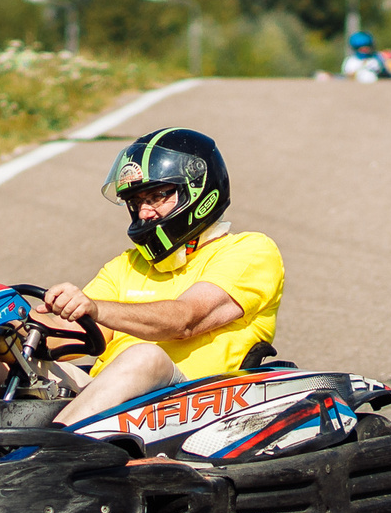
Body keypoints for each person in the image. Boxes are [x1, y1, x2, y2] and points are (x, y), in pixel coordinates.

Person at [39, 128, 283, 427]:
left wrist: (96, 307)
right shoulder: (127, 264)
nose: (144, 212)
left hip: (195, 405)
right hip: (106, 398)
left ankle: (47, 450)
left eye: (156, 197)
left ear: (198, 191)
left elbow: (186, 320)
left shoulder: (250, 250)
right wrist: (9, 327)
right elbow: (75, 332)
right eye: (136, 201)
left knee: (146, 356)